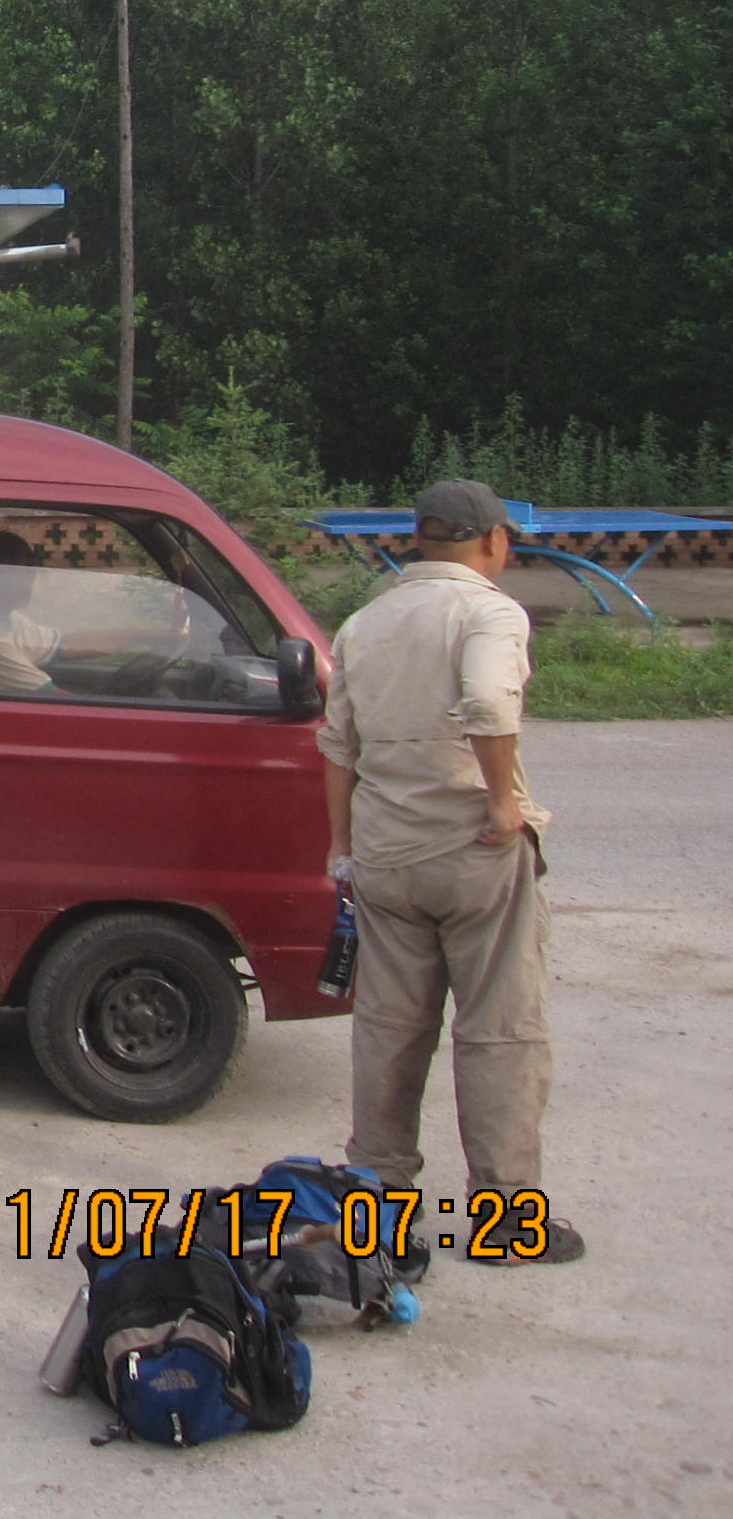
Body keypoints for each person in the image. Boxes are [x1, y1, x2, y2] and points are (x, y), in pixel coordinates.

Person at [317, 478, 584, 1263]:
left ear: (421, 539)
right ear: (495, 539)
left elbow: (337, 744)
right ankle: (507, 1222)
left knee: (388, 1032)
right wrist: (503, 803)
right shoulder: (489, 612)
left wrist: (343, 845)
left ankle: (379, 1225)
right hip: (473, 854)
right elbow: (490, 705)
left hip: (385, 853)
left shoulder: (366, 622)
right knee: (500, 1032)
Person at [0, 530, 62, 692]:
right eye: (19, 572)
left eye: (30, 571)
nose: (30, 578)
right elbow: (54, 698)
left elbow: (64, 644)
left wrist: (118, 639)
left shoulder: (4, 617)